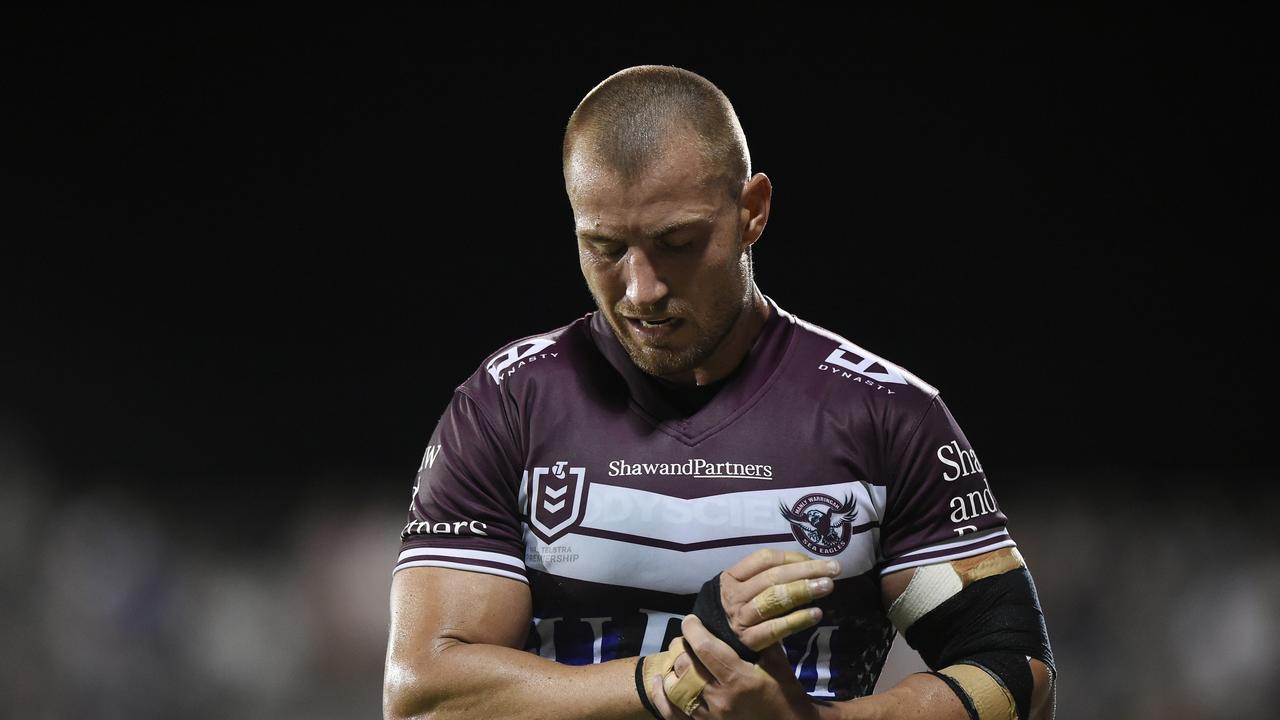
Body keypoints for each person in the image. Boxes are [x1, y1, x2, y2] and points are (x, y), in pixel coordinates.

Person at [383, 65, 1056, 720]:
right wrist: (676, 678)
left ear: (752, 211)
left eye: (677, 242)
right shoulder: (506, 407)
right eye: (605, 247)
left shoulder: (885, 416)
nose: (641, 289)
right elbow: (423, 698)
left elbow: (1017, 675)